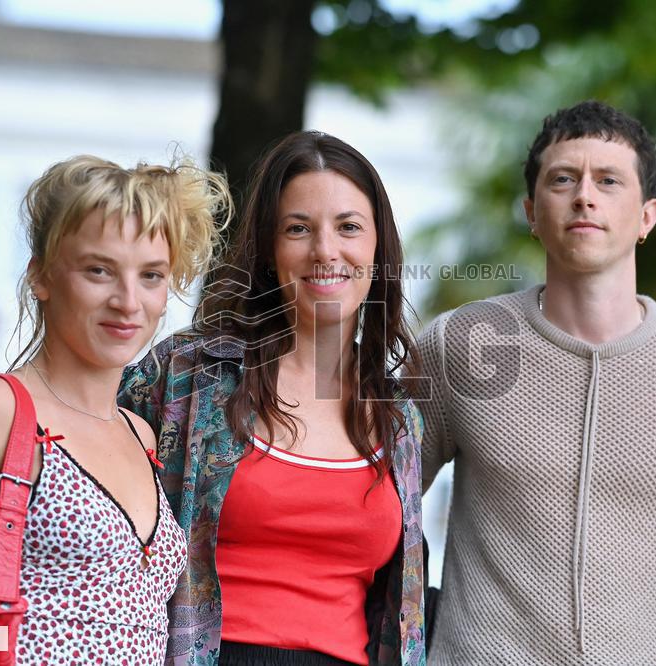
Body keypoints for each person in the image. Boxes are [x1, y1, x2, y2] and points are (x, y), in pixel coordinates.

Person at [414, 101, 656, 665]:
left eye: (608, 180)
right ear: (531, 211)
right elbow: (382, 509)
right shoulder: (463, 342)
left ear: (647, 216)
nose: (584, 196)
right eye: (562, 179)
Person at [0, 154, 230, 664]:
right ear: (41, 276)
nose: (128, 301)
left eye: (151, 276)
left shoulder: (141, 434)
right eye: (99, 270)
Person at [117, 131, 426, 666]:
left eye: (348, 227)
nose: (325, 251)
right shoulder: (187, 375)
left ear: (378, 247)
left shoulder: (398, 421)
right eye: (298, 229)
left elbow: (400, 612)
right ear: (268, 249)